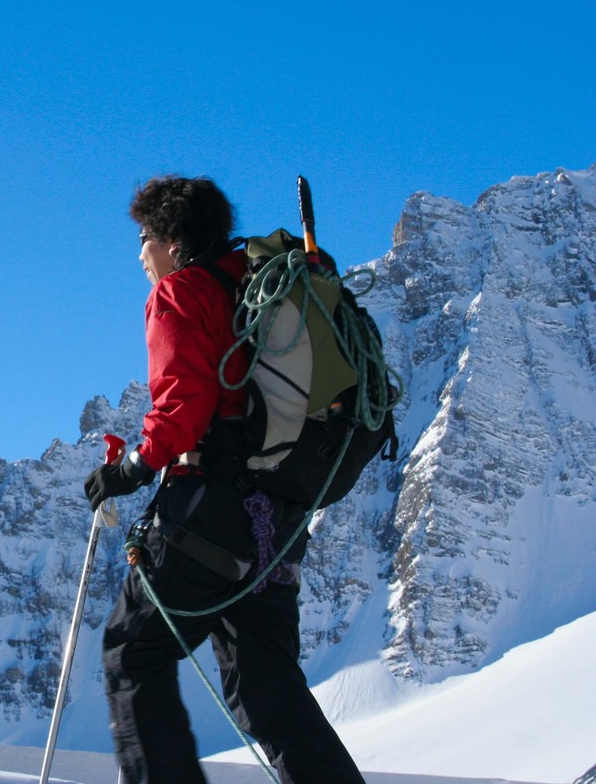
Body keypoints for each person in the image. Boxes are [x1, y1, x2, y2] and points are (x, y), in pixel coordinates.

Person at [84, 175, 365, 784]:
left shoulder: (182, 294)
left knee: (132, 653)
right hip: (281, 520)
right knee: (268, 690)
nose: (139, 255)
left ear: (172, 239)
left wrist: (130, 469)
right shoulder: (257, 284)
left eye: (143, 238)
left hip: (209, 514)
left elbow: (185, 405)